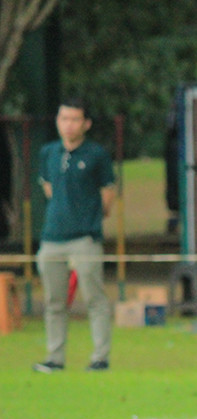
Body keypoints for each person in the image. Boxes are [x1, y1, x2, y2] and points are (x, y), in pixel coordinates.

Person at [34, 98, 116, 372]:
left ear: (86, 124)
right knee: (54, 302)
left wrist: (90, 216)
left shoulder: (97, 155)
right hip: (52, 237)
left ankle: (99, 357)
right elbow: (48, 188)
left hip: (85, 238)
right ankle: (55, 358)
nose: (68, 125)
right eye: (63, 119)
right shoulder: (48, 152)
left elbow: (108, 195)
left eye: (74, 119)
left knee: (94, 298)